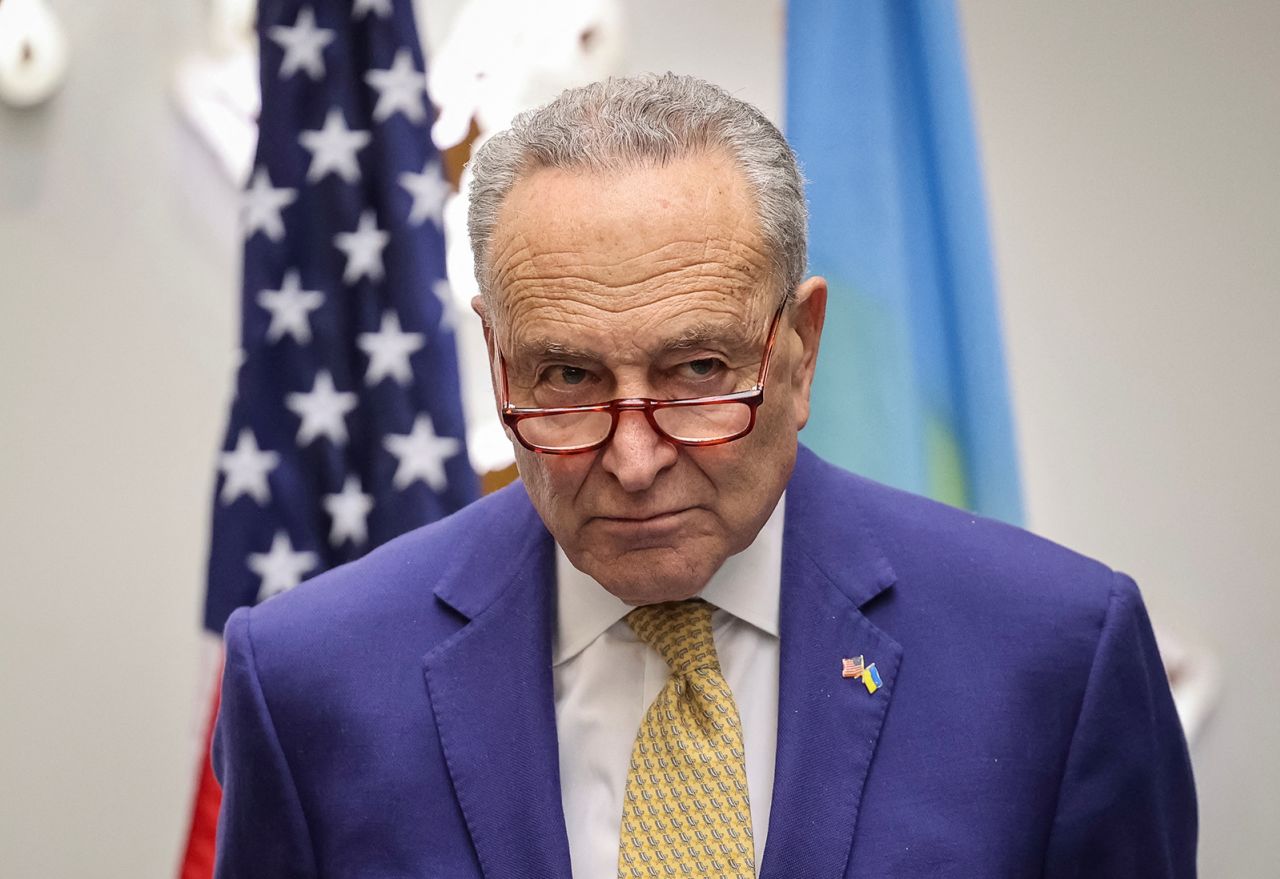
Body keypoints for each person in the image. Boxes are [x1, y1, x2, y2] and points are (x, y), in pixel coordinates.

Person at [213, 73, 1196, 878]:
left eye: (696, 372)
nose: (633, 460)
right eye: (566, 376)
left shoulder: (1051, 656)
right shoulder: (311, 683)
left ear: (799, 350)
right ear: (496, 362)